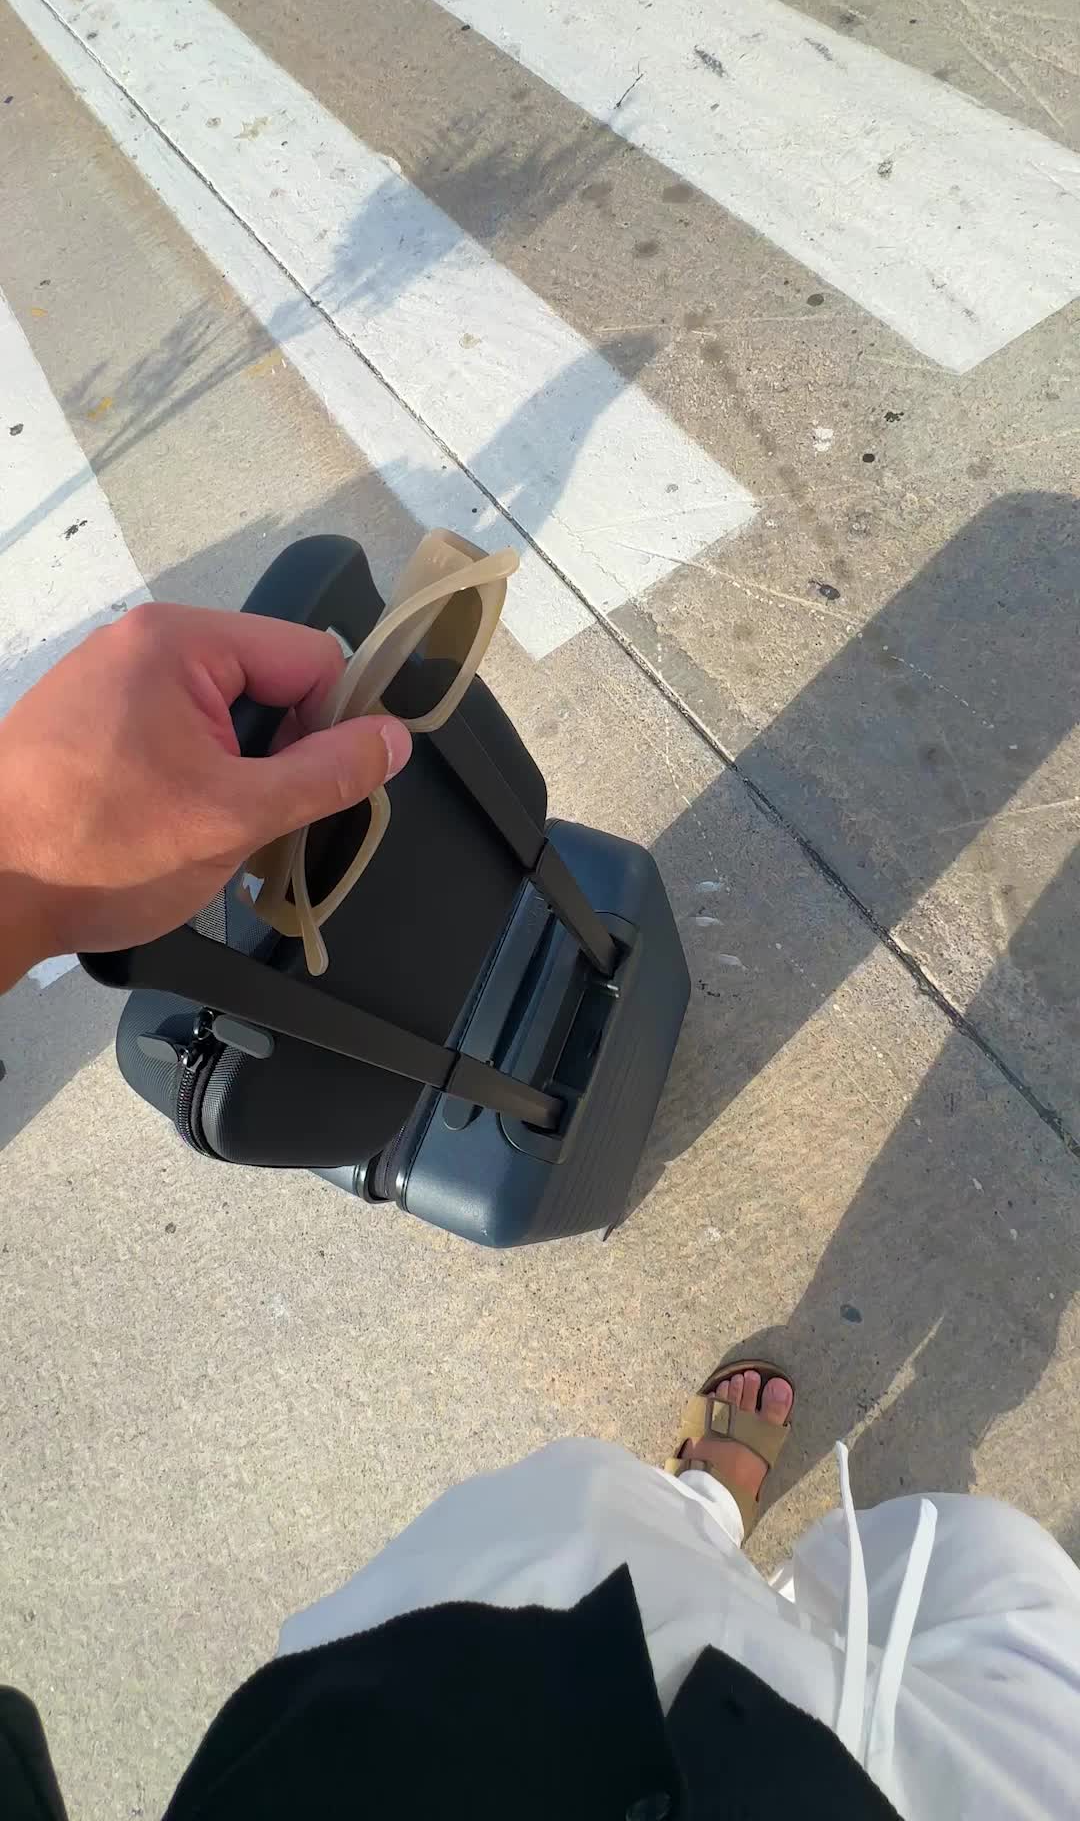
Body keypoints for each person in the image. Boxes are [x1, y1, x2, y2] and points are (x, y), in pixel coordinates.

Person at [3, 605, 1079, 1820]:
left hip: (441, 1725)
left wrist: (25, 874)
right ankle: (708, 1532)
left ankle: (704, 1510)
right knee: (1001, 1614)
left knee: (787, 1574)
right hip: (540, 1721)